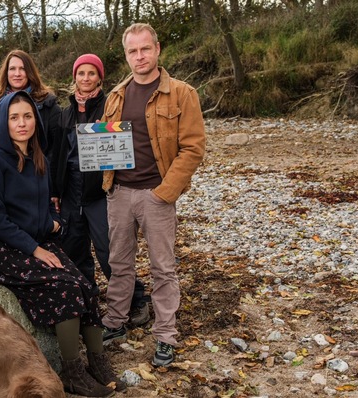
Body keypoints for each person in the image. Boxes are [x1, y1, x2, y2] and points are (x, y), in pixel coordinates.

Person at [0, 91, 125, 397]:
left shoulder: (37, 155)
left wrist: (54, 219)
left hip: (36, 239)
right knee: (63, 289)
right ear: (3, 122)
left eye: (27, 116)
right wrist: (36, 249)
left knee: (83, 282)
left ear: (36, 120)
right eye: (14, 117)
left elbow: (49, 201)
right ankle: (72, 372)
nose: (22, 123)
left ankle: (97, 361)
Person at [99, 23, 206, 368]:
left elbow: (193, 148)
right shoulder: (116, 95)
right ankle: (115, 321)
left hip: (156, 195)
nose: (139, 56)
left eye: (145, 49)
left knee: (163, 267)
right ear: (126, 54)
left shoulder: (182, 93)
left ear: (158, 49)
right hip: (119, 193)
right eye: (133, 51)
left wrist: (165, 192)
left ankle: (165, 334)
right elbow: (103, 144)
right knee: (119, 263)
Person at [52, 53, 150, 327]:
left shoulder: (110, 107)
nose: (86, 78)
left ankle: (137, 300)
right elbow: (59, 155)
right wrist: (55, 191)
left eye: (91, 73)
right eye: (81, 74)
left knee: (111, 252)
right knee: (74, 252)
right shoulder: (65, 113)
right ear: (74, 78)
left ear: (100, 77)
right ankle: (87, 301)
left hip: (101, 194)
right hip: (71, 194)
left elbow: (124, 147)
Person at [0, 49, 61, 157]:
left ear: (30, 72)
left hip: (38, 169)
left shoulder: (48, 104)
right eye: (12, 69)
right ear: (6, 73)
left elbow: (57, 147)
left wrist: (44, 170)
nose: (17, 74)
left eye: (22, 69)